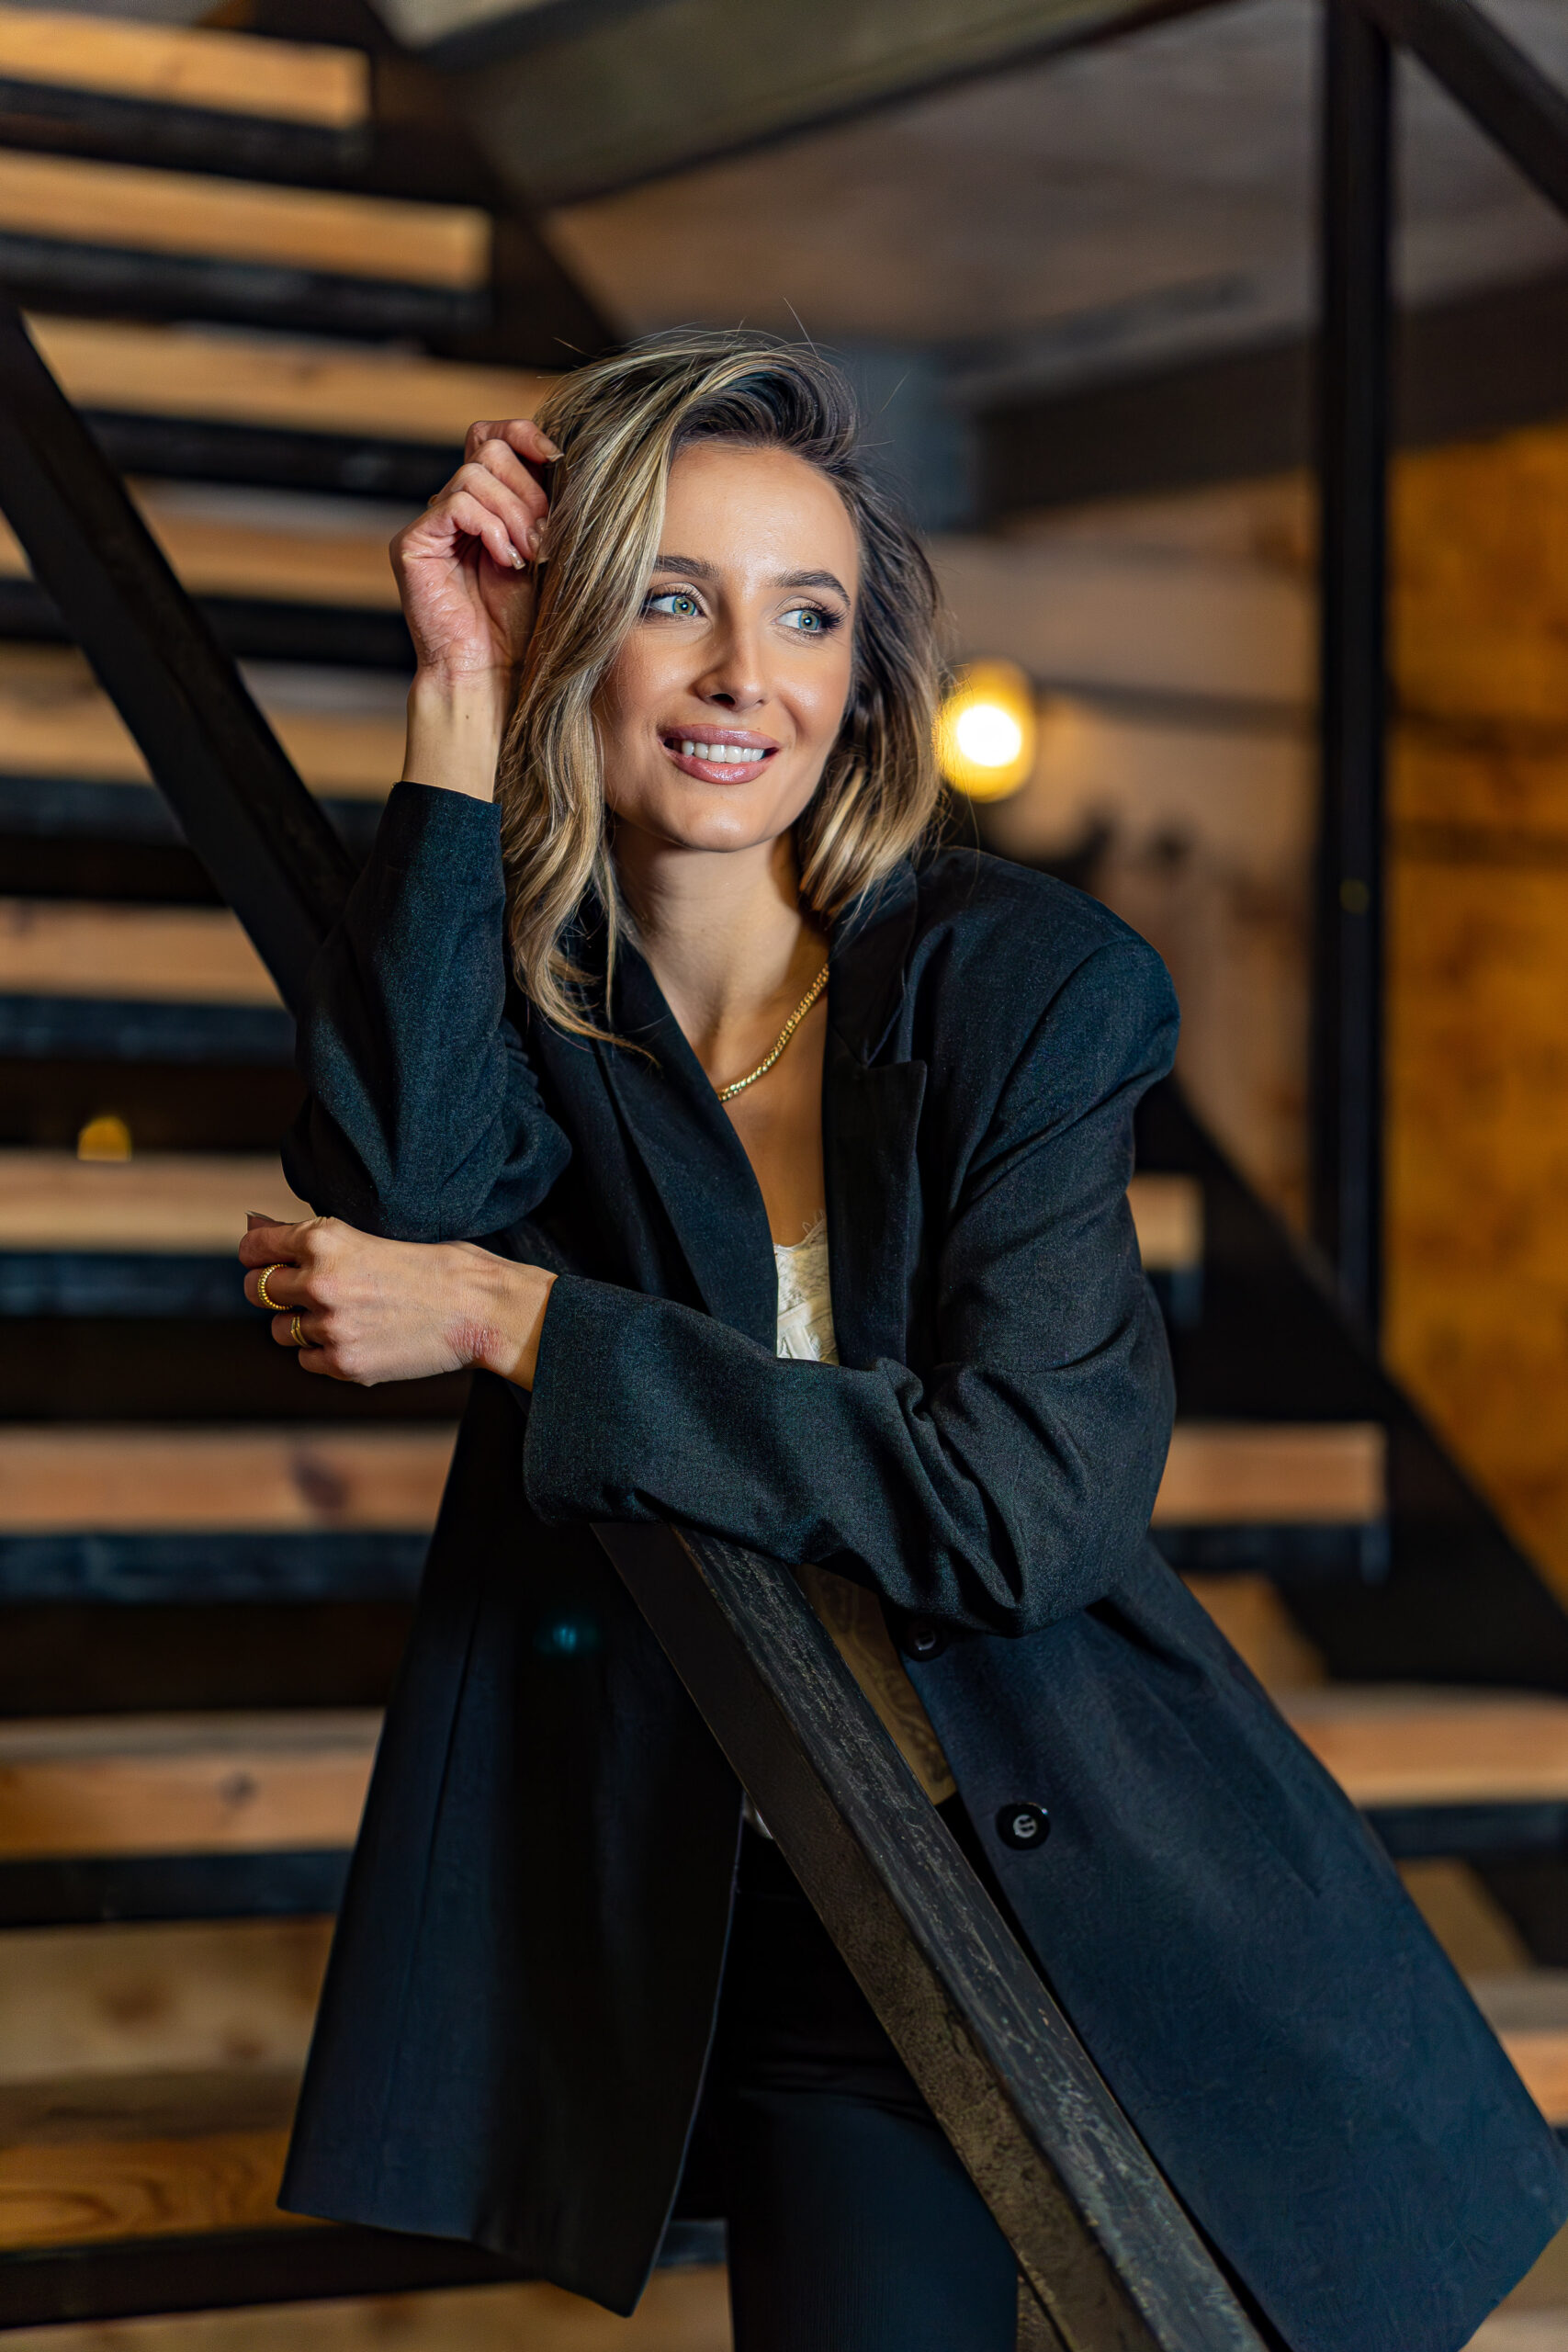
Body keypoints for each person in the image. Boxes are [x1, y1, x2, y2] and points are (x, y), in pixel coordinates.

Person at [240, 330, 1564, 2352]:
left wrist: (525, 1321)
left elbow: (1018, 1510)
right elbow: (399, 1180)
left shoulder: (1024, 991)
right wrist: (453, 688)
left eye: (807, 614)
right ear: (570, 631)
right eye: (669, 599)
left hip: (1105, 1876)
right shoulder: (538, 1009)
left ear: (860, 677)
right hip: (809, 1905)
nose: (741, 675)